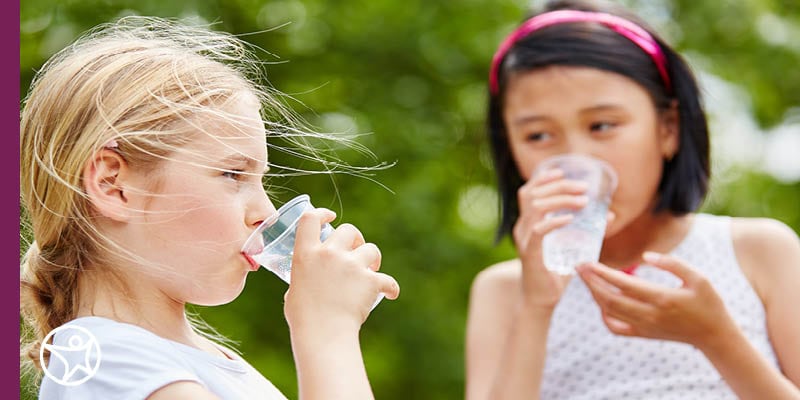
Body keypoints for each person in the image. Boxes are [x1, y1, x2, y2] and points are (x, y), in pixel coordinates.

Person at [19, 16, 399, 400]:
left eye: (260, 180)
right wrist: (328, 330)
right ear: (113, 186)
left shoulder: (201, 362)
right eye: (234, 174)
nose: (266, 212)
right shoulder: (106, 360)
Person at [465, 1, 800, 399]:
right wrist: (536, 307)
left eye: (602, 125)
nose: (576, 158)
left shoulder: (758, 251)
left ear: (668, 129)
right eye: (538, 135)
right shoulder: (504, 292)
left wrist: (716, 338)